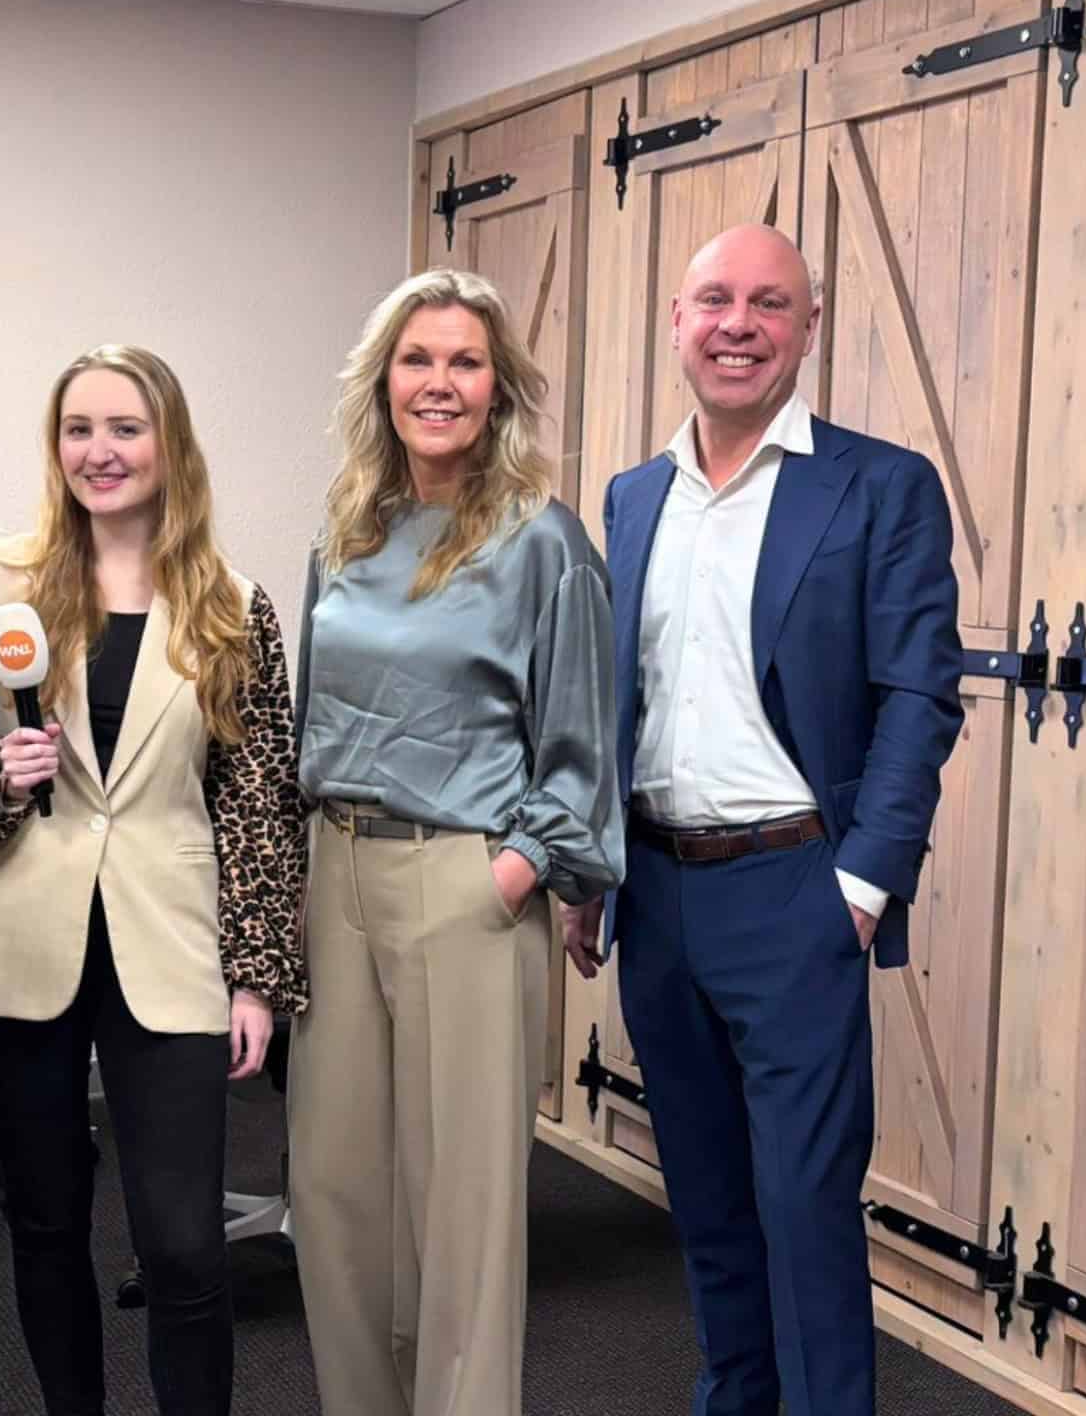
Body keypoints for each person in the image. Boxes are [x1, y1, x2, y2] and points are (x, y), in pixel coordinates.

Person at [563, 224, 965, 1416]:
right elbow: (620, 700)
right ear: (677, 323)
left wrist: (863, 884)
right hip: (656, 892)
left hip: (797, 892)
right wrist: (593, 868)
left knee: (803, 1207)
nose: (739, 324)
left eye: (770, 303)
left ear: (808, 328)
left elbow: (919, 696)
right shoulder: (635, 496)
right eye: (716, 300)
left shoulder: (879, 486)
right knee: (706, 1199)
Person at [0, 344, 307, 1416]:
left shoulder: (233, 606)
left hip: (172, 945)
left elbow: (259, 802)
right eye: (78, 429)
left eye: (125, 429)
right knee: (45, 1222)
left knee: (184, 1245)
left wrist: (259, 977)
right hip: (17, 940)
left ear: (170, 443)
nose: (100, 451)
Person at [289, 267, 622, 1416]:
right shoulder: (346, 530)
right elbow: (312, 714)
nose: (439, 383)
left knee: (463, 1214)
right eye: (418, 360)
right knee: (333, 1192)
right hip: (338, 869)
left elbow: (583, 741)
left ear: (499, 389)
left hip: (467, 881)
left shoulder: (542, 543)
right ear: (383, 382)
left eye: (465, 362)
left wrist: (520, 869)